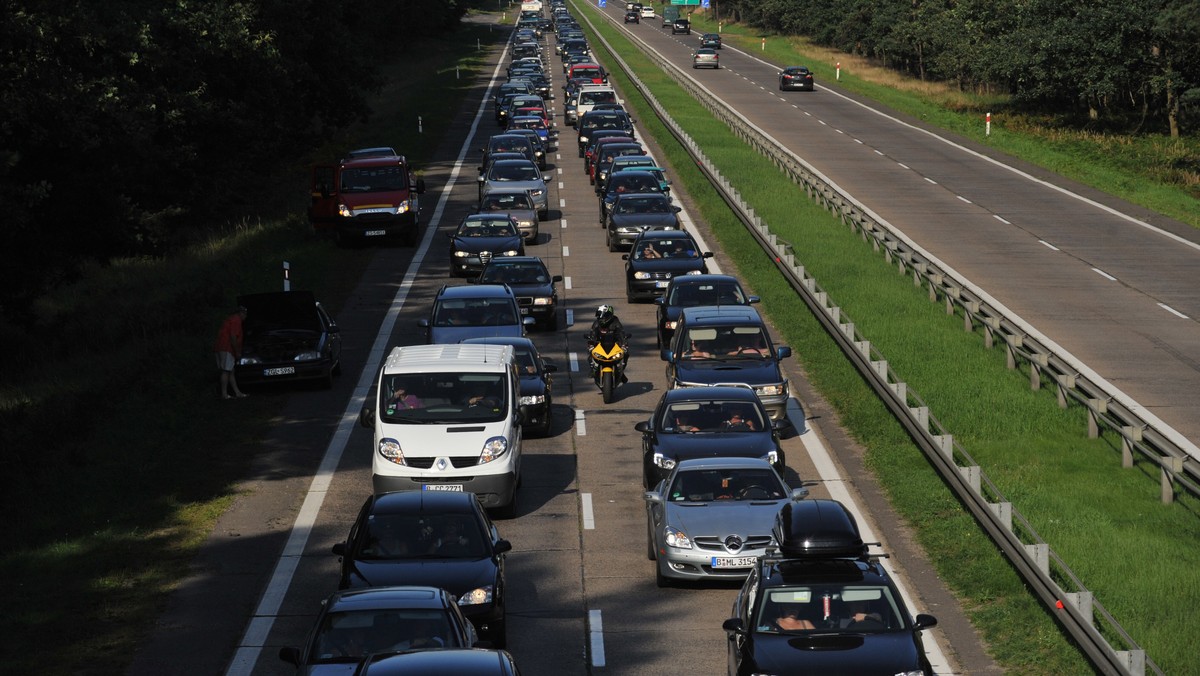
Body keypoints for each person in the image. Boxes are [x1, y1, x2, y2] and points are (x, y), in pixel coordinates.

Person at [214, 305, 248, 400]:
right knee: (226, 371)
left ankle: (237, 392)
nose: (245, 316)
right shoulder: (236, 321)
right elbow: (233, 337)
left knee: (231, 371)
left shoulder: (230, 319)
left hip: (221, 347)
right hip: (226, 348)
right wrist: (237, 352)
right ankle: (224, 394)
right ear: (240, 313)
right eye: (245, 314)